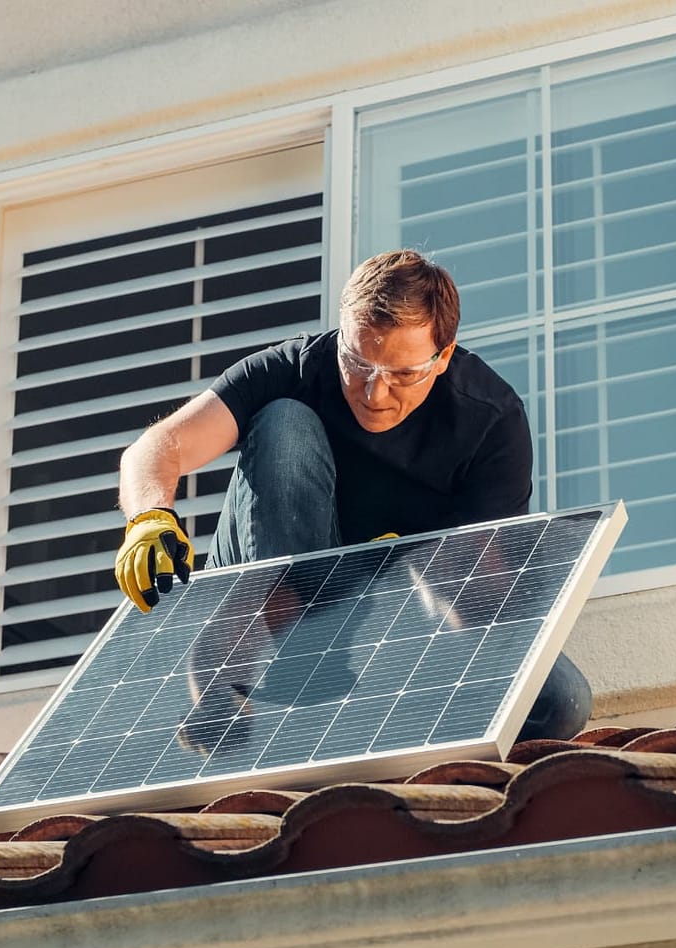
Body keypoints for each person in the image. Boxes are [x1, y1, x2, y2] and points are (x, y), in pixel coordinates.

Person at [115, 249, 591, 742]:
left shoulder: (490, 421)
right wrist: (148, 518)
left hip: (396, 618)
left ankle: (358, 686)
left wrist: (416, 579)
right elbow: (158, 447)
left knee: (557, 702)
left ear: (444, 356)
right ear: (341, 335)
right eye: (357, 363)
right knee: (284, 421)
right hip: (281, 595)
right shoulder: (295, 368)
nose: (373, 393)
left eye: (403, 374)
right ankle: (274, 653)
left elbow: (485, 602)